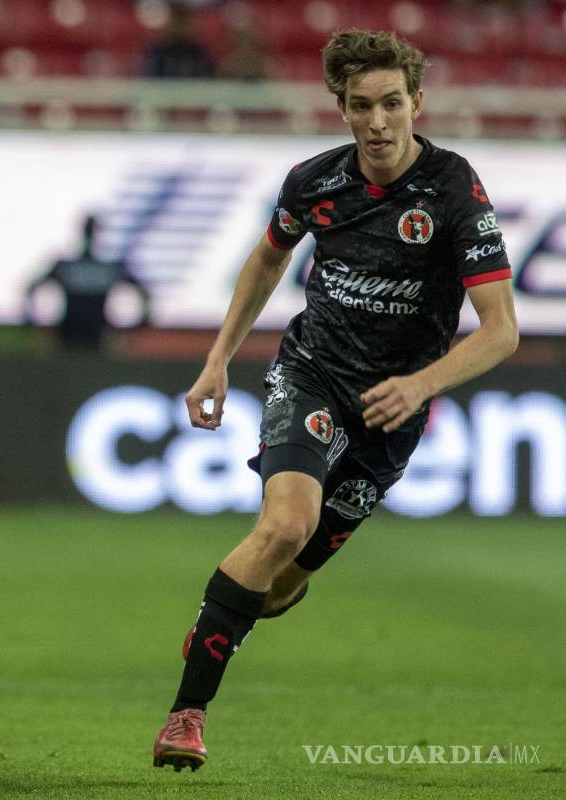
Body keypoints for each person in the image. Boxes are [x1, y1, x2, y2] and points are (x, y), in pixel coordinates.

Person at [153, 30, 518, 772]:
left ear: (417, 103)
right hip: (313, 374)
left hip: (393, 413)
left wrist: (421, 384)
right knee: (285, 525)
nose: (378, 122)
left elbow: (502, 332)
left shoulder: (454, 191)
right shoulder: (315, 182)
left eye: (391, 104)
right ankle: (186, 714)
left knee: (282, 587)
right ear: (341, 109)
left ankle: (224, 616)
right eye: (361, 107)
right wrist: (217, 360)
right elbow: (267, 257)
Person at [25, 215, 148, 349]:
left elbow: (143, 294)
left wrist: (137, 326)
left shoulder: (104, 268)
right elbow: (31, 288)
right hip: (69, 338)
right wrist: (33, 322)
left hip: (96, 338)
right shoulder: (71, 267)